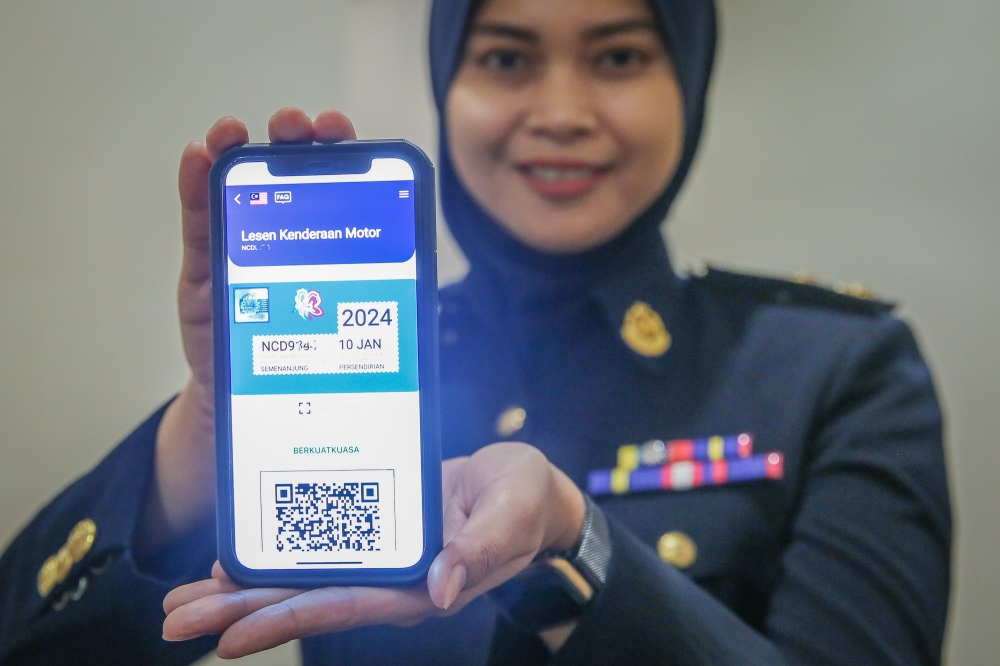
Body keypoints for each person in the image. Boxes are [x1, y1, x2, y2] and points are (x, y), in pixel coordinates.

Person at [0, 0, 952, 663]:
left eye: (619, 57)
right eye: (505, 58)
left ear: (689, 79)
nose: (562, 113)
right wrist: (205, 426)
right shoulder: (365, 367)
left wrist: (575, 548)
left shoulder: (837, 367)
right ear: (447, 82)